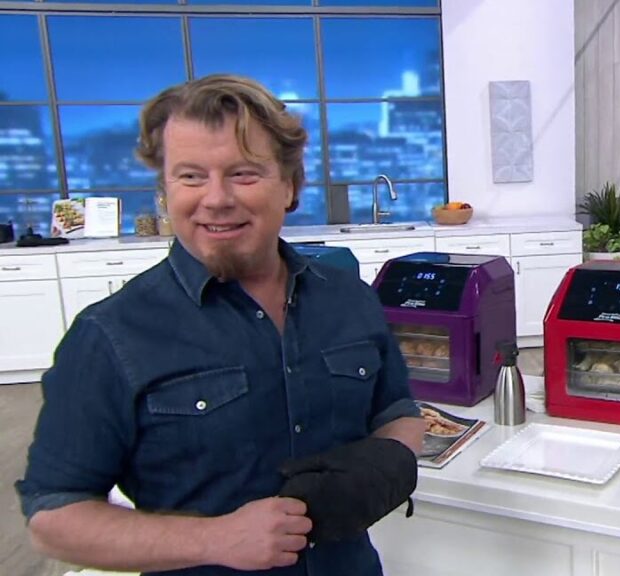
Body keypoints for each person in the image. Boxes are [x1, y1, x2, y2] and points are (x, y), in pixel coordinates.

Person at [16, 74, 425, 575]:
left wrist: (383, 466)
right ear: (166, 191)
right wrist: (215, 539)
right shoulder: (110, 334)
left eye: (243, 174)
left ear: (290, 186)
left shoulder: (350, 299)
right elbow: (54, 516)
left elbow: (398, 412)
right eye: (191, 177)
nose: (215, 199)